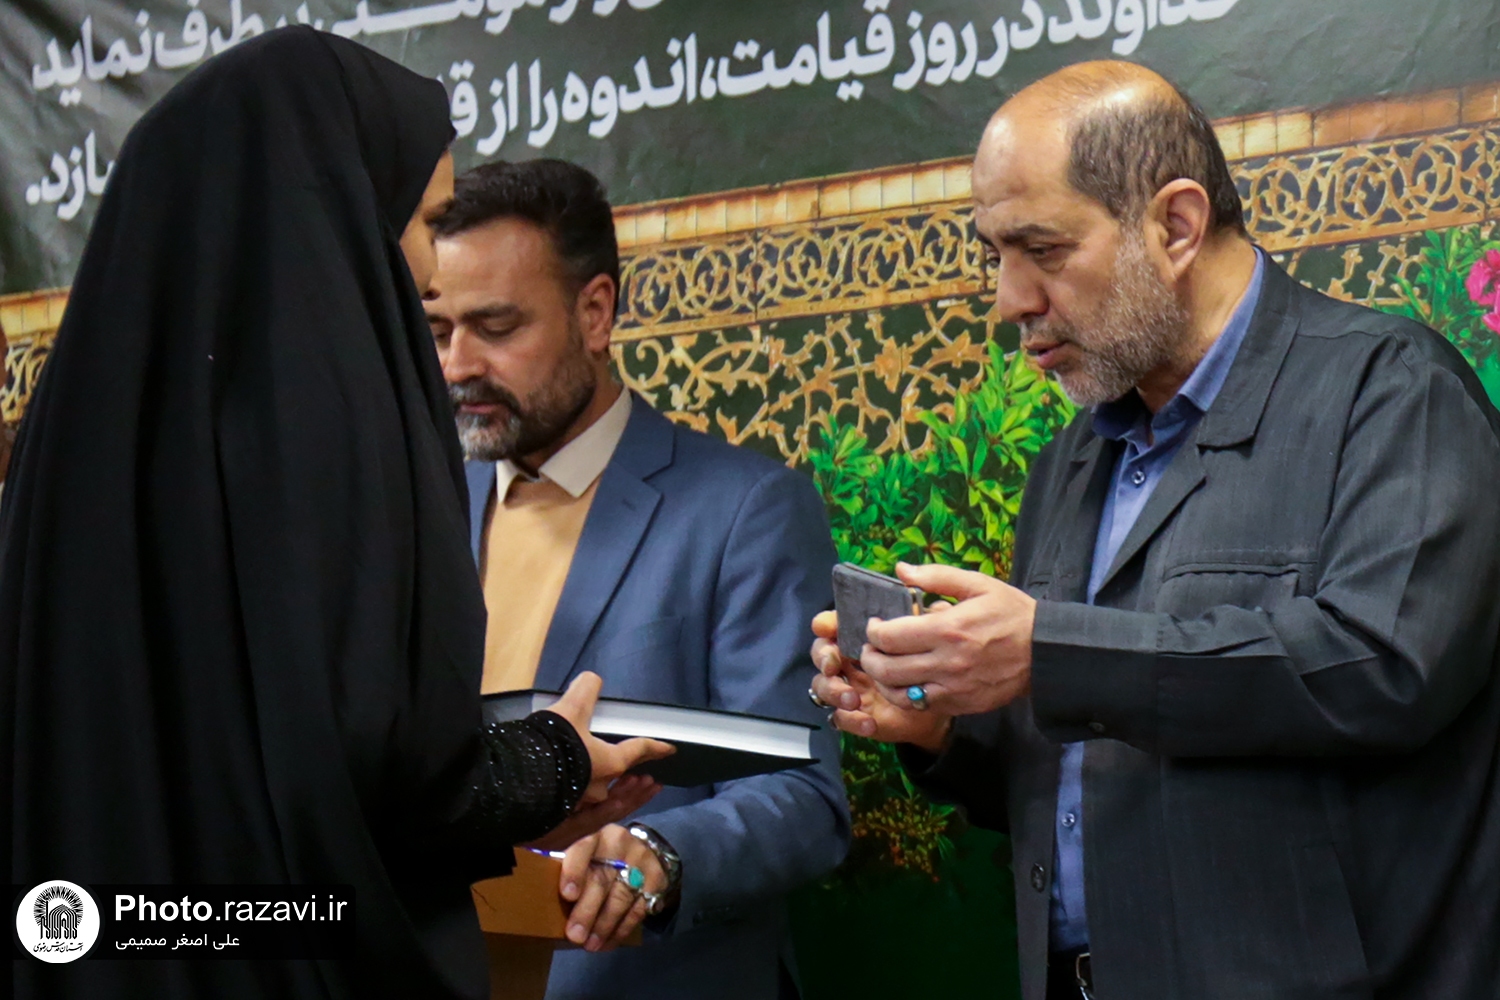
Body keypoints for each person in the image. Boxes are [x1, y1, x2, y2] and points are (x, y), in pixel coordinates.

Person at [1, 28, 667, 1000]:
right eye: (424, 219)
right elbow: (386, 775)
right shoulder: (322, 423)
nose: (429, 269)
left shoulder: (78, 445)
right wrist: (554, 762)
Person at [811, 61, 1500, 1000]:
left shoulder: (1388, 391)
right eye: (995, 255)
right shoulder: (1072, 462)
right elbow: (1085, 771)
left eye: (1042, 249)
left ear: (1175, 225)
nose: (1010, 300)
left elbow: (1382, 670)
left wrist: (1050, 653)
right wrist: (942, 727)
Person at [425, 158, 850, 1000]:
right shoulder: (421, 508)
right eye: (437, 333)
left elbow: (805, 796)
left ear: (595, 312)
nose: (457, 364)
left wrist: (657, 857)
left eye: (496, 327)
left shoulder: (745, 511)